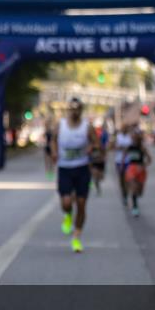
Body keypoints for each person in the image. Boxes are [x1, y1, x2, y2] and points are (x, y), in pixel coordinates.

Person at [50, 98, 98, 253]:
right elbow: (53, 141)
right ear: (68, 110)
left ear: (81, 110)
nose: (74, 111)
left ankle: (76, 238)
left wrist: (92, 148)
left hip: (82, 168)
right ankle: (68, 214)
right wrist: (54, 152)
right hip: (65, 168)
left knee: (82, 204)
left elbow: (96, 143)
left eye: (78, 109)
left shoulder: (87, 127)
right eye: (72, 109)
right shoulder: (61, 125)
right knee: (66, 202)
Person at [122, 127, 151, 217]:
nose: (134, 139)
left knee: (140, 192)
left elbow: (149, 159)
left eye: (135, 137)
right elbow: (124, 157)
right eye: (133, 137)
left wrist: (143, 166)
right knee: (134, 189)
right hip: (131, 169)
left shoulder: (142, 148)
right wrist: (123, 167)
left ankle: (135, 200)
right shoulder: (129, 147)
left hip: (141, 170)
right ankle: (135, 207)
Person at [111, 122, 136, 206]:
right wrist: (120, 147)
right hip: (118, 160)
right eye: (123, 127)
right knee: (121, 179)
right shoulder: (118, 137)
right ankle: (124, 194)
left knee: (127, 179)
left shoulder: (130, 137)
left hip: (128, 161)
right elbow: (112, 146)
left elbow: (134, 147)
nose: (125, 129)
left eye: (126, 127)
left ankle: (127, 192)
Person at [89, 121, 108, 196]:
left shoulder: (100, 144)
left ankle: (98, 183)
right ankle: (98, 188)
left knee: (100, 177)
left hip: (100, 161)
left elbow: (104, 151)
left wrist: (103, 157)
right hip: (93, 161)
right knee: (95, 176)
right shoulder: (90, 144)